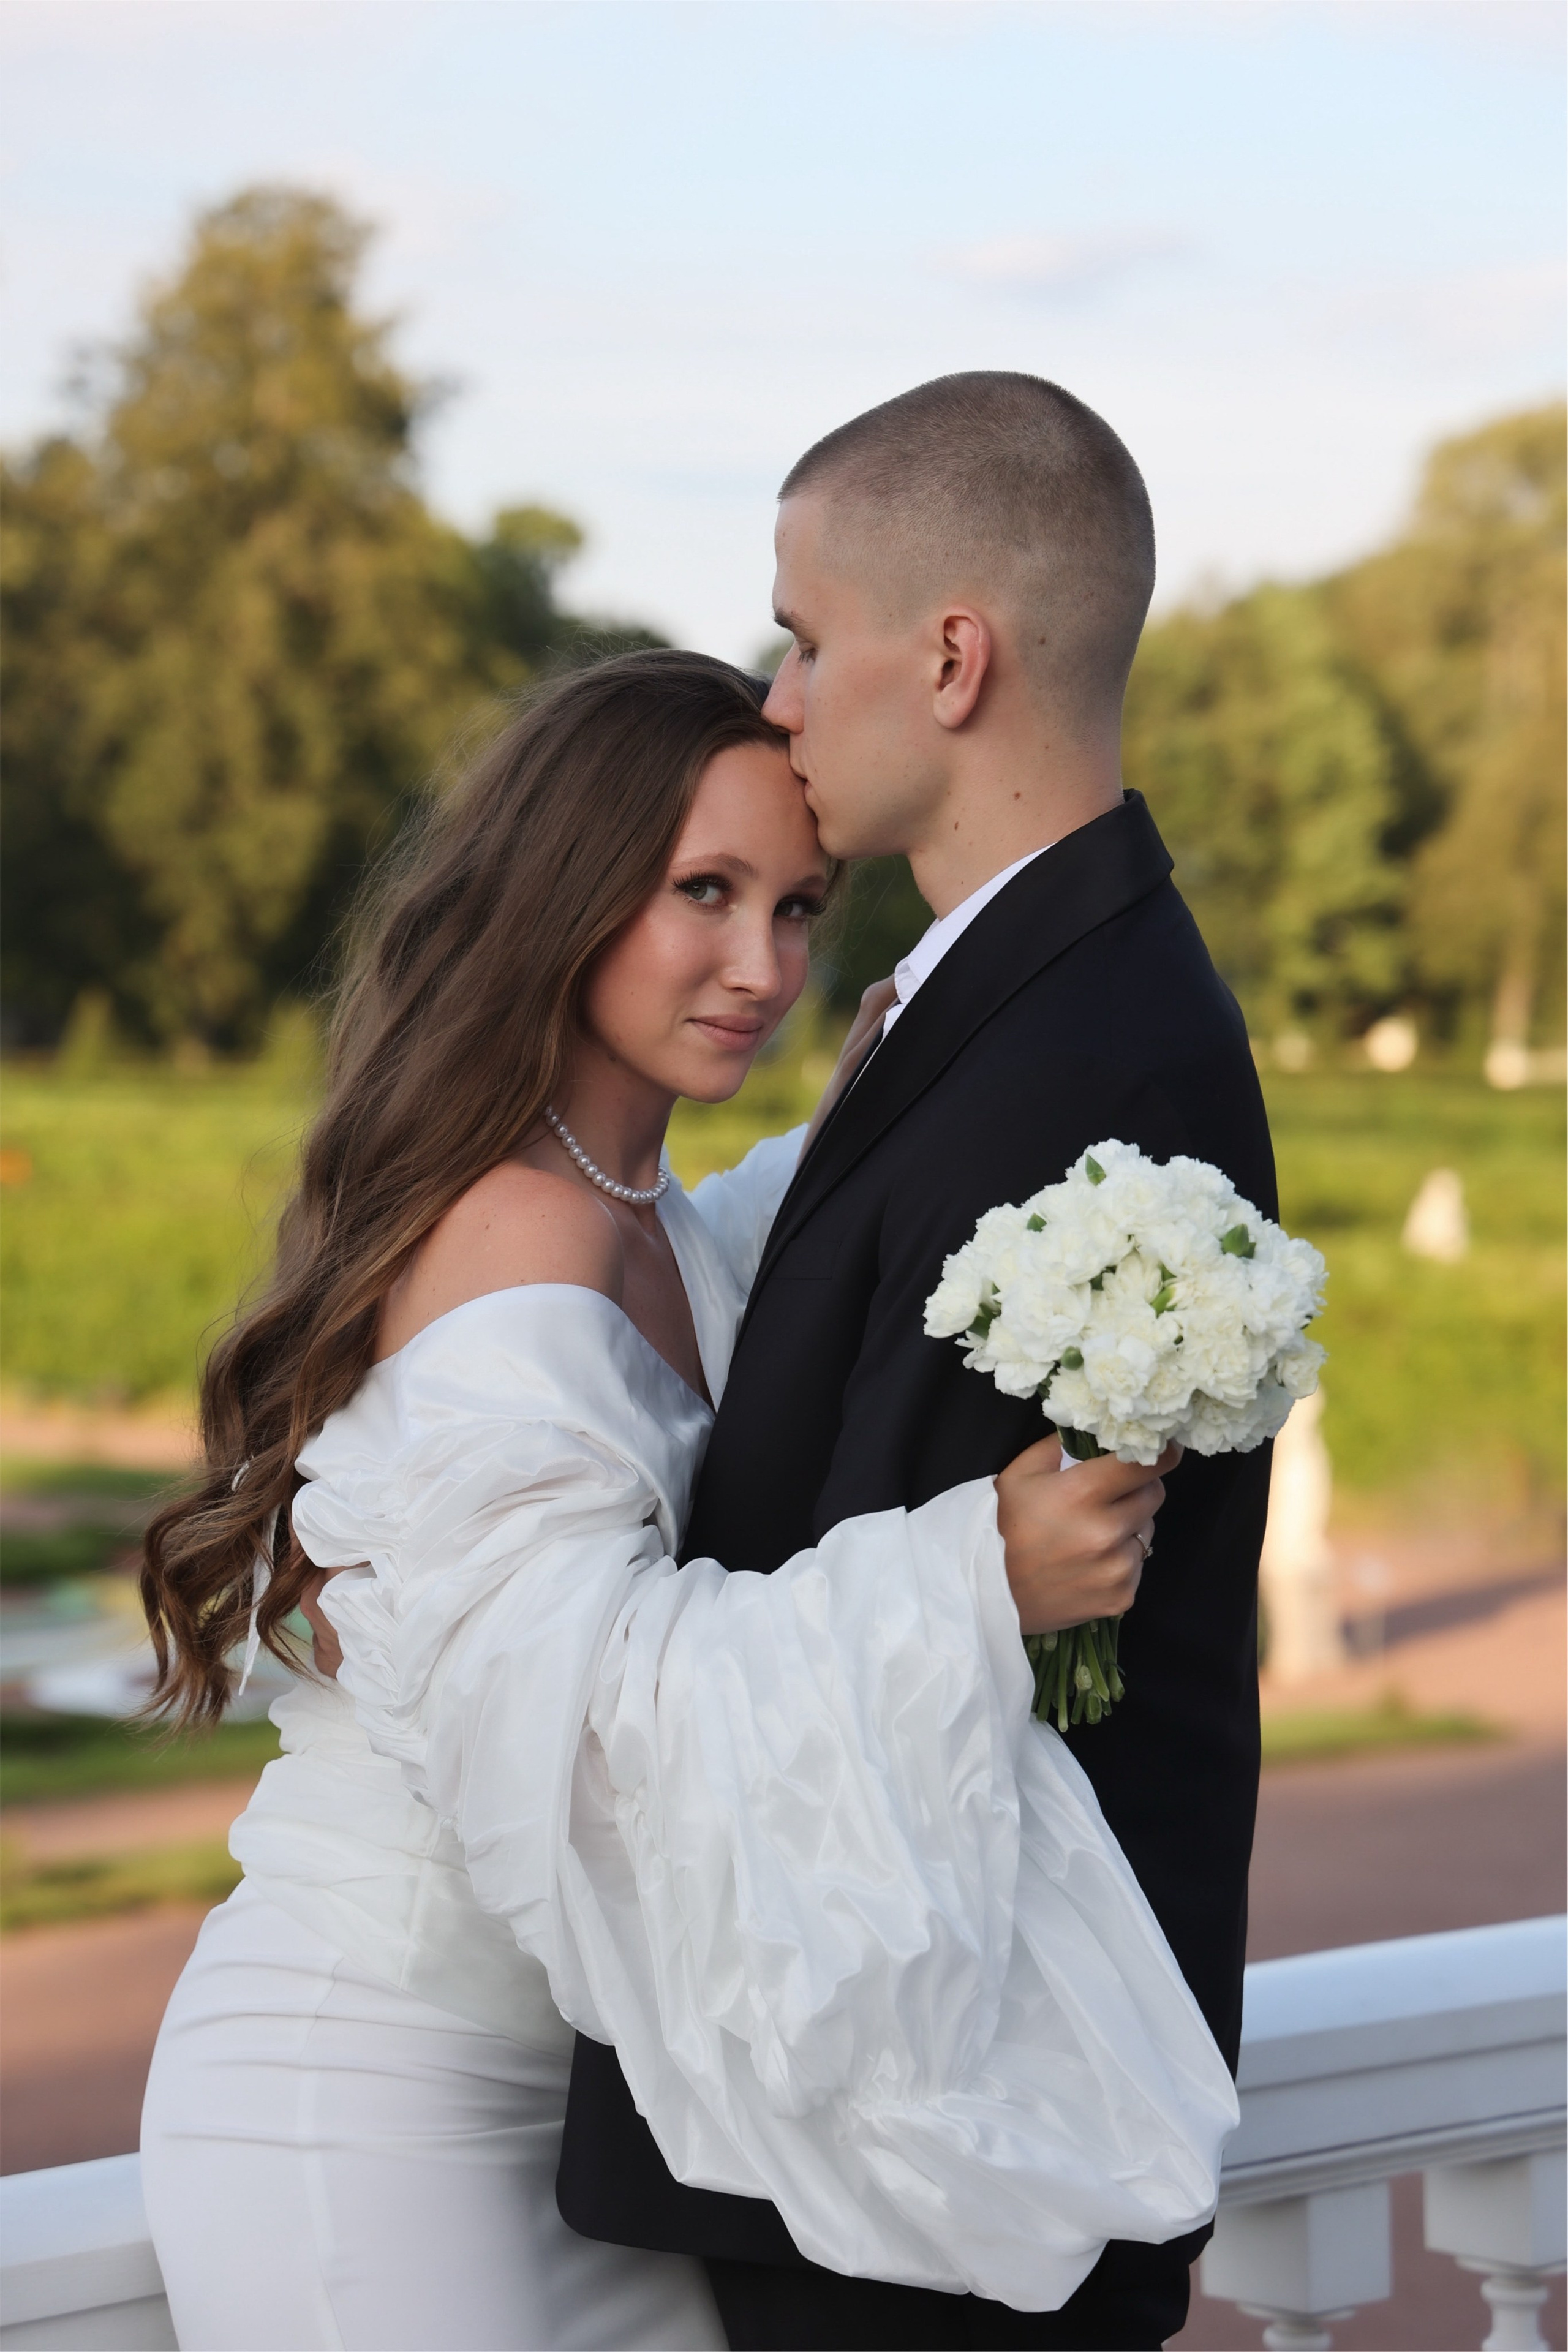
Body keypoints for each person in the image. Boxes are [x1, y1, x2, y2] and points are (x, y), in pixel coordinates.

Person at [137, 644, 1233, 2352]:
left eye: (799, 908)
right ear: (568, 897)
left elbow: (819, 1211)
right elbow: (590, 1710)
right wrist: (972, 1579)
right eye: (701, 894)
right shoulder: (517, 1232)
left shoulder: (662, 1224)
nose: (761, 965)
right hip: (371, 2103)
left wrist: (935, 1061)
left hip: (607, 2129)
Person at [558, 374, 1278, 2351]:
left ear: (952, 657)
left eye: (803, 637)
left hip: (936, 2163)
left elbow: (950, 1632)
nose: (776, 696)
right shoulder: (1017, 999)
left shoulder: (1087, 1061)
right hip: (905, 2150)